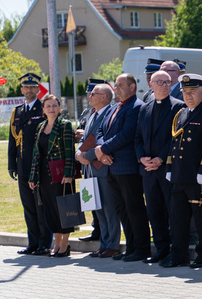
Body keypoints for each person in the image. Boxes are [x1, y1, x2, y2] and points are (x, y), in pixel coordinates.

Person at [161, 74, 202, 269]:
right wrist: (169, 167)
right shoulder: (182, 114)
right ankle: (179, 255)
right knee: (177, 219)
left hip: (198, 177)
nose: (188, 96)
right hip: (179, 175)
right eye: (185, 92)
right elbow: (174, 143)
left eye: (192, 92)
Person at [93, 73, 148, 262]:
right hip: (111, 167)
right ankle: (131, 247)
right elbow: (101, 130)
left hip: (128, 168)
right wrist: (101, 149)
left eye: (120, 85)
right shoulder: (115, 107)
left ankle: (142, 248)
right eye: (115, 85)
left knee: (134, 208)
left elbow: (126, 134)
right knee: (122, 210)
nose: (116, 88)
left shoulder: (136, 106)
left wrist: (103, 149)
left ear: (132, 87)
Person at [134, 70, 184, 264]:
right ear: (151, 85)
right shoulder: (144, 109)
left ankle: (175, 249)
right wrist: (142, 158)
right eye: (160, 82)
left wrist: (161, 158)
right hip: (147, 170)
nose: (164, 85)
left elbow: (176, 137)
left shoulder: (178, 107)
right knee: (154, 211)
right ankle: (161, 249)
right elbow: (137, 138)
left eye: (167, 82)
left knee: (173, 211)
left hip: (167, 168)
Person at [76, 83, 121, 258]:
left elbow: (105, 140)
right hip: (90, 168)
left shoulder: (111, 113)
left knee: (109, 208)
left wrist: (87, 155)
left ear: (104, 97)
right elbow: (85, 138)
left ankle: (113, 244)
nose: (90, 96)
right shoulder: (92, 114)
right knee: (97, 208)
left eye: (94, 94)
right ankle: (104, 243)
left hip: (103, 167)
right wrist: (79, 153)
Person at [28, 94, 75, 257]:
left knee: (63, 207)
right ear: (43, 109)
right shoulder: (40, 126)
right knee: (49, 209)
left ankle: (65, 245)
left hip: (60, 174)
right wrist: (33, 177)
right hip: (43, 175)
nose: (52, 109)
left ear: (60, 108)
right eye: (48, 106)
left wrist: (69, 174)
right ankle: (57, 243)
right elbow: (36, 153)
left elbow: (70, 151)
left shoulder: (65, 125)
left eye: (55, 105)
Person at [9, 73, 50, 255]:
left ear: (38, 89)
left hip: (39, 167)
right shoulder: (17, 111)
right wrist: (12, 164)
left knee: (40, 206)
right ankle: (32, 243)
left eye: (33, 87)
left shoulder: (43, 109)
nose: (29, 90)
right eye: (26, 87)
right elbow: (12, 140)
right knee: (28, 207)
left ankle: (44, 243)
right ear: (21, 90)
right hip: (22, 166)